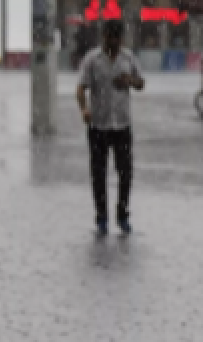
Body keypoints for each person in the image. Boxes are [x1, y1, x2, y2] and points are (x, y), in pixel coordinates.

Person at [77, 21, 145, 235]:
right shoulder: (92, 60)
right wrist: (84, 109)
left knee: (125, 173)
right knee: (99, 174)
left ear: (121, 39)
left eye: (117, 39)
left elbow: (141, 83)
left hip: (122, 125)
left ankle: (123, 215)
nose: (113, 43)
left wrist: (130, 80)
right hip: (98, 126)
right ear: (103, 36)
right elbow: (80, 89)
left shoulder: (128, 58)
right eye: (109, 38)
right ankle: (102, 218)